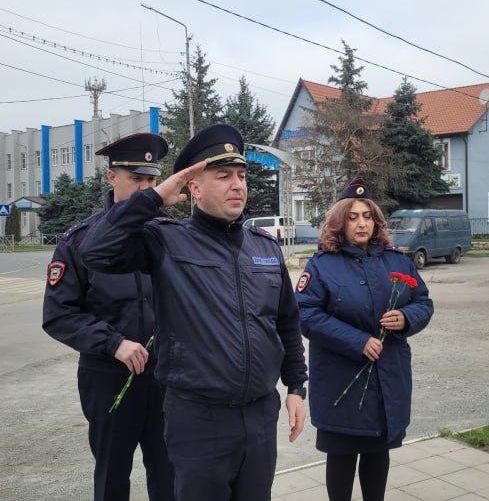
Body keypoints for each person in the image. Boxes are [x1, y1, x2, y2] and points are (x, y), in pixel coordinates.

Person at [78, 124, 308, 501]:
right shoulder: (167, 240)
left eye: (241, 175)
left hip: (259, 416)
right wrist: (153, 197)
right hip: (200, 420)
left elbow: (285, 321)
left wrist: (296, 386)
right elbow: (95, 251)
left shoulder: (264, 248)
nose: (237, 184)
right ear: (195, 188)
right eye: (223, 176)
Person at [42, 133, 174, 501]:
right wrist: (112, 343)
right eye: (136, 179)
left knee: (171, 477)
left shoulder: (171, 235)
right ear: (112, 177)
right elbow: (58, 315)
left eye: (151, 180)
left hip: (167, 377)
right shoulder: (80, 240)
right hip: (109, 378)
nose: (145, 189)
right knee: (112, 477)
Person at [295, 178, 434, 501]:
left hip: (387, 377)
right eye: (353, 217)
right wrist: (356, 341)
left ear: (376, 221)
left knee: (377, 453)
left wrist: (407, 318)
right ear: (339, 222)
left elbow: (423, 302)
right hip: (341, 380)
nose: (362, 223)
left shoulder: (397, 260)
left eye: (367, 216)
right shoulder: (322, 265)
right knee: (342, 456)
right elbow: (306, 315)